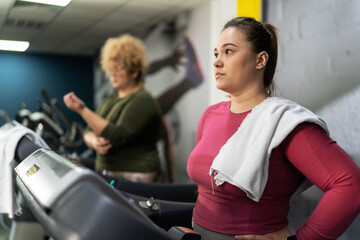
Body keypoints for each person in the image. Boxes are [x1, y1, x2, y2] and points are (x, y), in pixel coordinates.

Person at [187, 17, 360, 240]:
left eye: (229, 51)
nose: (217, 62)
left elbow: (349, 185)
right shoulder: (210, 116)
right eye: (216, 54)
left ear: (260, 60)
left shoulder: (284, 122)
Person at [63, 34, 162, 183]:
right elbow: (89, 129)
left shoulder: (143, 100)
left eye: (119, 69)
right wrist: (93, 141)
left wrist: (82, 110)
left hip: (136, 175)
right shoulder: (110, 100)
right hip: (108, 171)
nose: (113, 75)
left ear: (134, 72)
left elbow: (118, 136)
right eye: (111, 70)